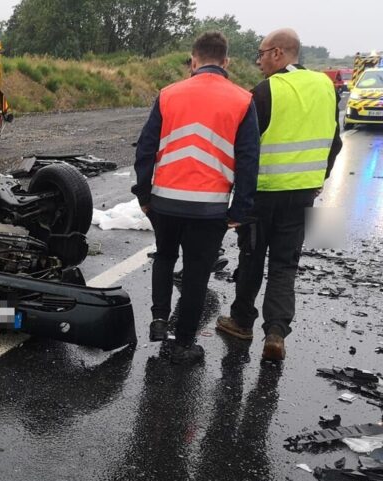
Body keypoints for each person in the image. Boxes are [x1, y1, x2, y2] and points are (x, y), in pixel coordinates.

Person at [132, 31, 260, 365]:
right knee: (196, 273)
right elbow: (248, 160)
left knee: (164, 257)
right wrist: (240, 208)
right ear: (226, 61)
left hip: (165, 201)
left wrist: (144, 193)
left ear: (193, 59)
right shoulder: (243, 100)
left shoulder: (168, 94)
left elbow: (146, 148)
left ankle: (160, 319)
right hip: (209, 207)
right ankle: (184, 343)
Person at [216, 28, 342, 362]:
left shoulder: (265, 91)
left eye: (260, 54)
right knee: (286, 265)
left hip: (263, 195)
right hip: (302, 195)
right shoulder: (325, 87)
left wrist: (234, 195)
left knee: (252, 258)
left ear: (278, 53)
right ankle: (275, 332)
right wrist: (320, 178)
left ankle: (242, 321)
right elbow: (335, 141)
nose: (258, 61)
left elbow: (243, 147)